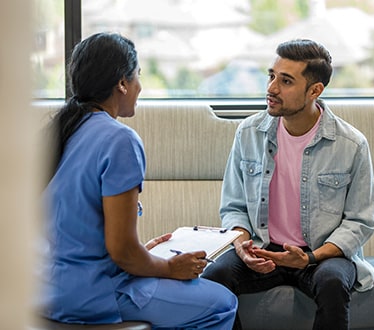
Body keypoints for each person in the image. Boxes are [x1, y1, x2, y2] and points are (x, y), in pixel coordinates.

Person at [39, 32, 237, 329]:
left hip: (44, 289)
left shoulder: (58, 131)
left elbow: (82, 236)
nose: (139, 87)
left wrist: (142, 255)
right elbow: (122, 251)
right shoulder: (120, 140)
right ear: (122, 83)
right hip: (93, 294)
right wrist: (169, 267)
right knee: (221, 304)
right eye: (137, 76)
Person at [202, 39, 374, 330]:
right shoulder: (248, 133)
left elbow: (360, 221)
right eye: (271, 76)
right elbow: (234, 206)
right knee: (214, 278)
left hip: (320, 253)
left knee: (332, 282)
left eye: (285, 81)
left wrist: (310, 257)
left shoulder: (352, 144)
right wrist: (242, 245)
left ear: (314, 91)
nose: (271, 88)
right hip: (263, 248)